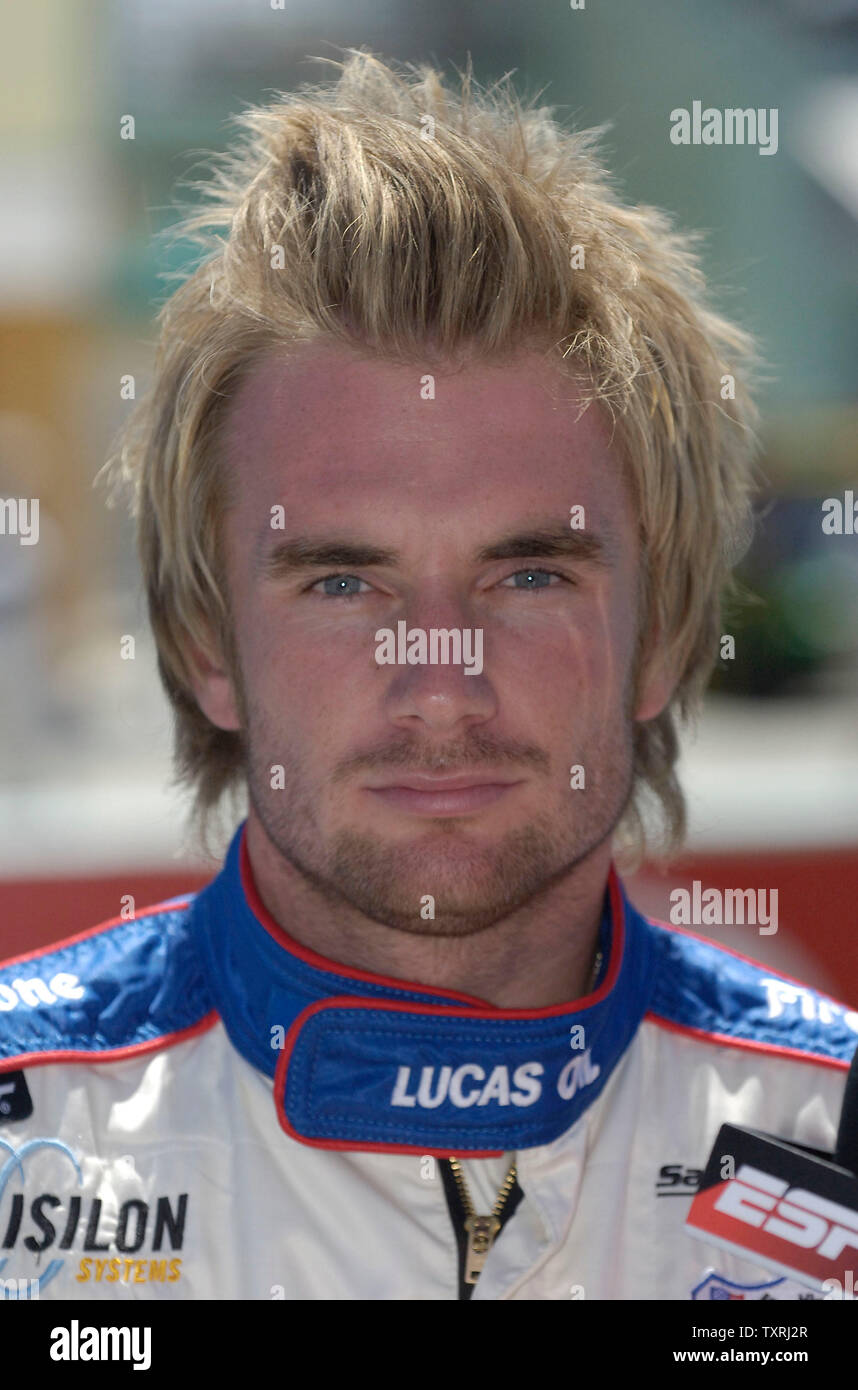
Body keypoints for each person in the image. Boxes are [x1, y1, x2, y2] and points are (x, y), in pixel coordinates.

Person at [0, 51, 854, 1302]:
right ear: (204, 646)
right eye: (345, 585)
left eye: (529, 577)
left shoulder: (824, 1139)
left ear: (664, 635)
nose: (441, 687)